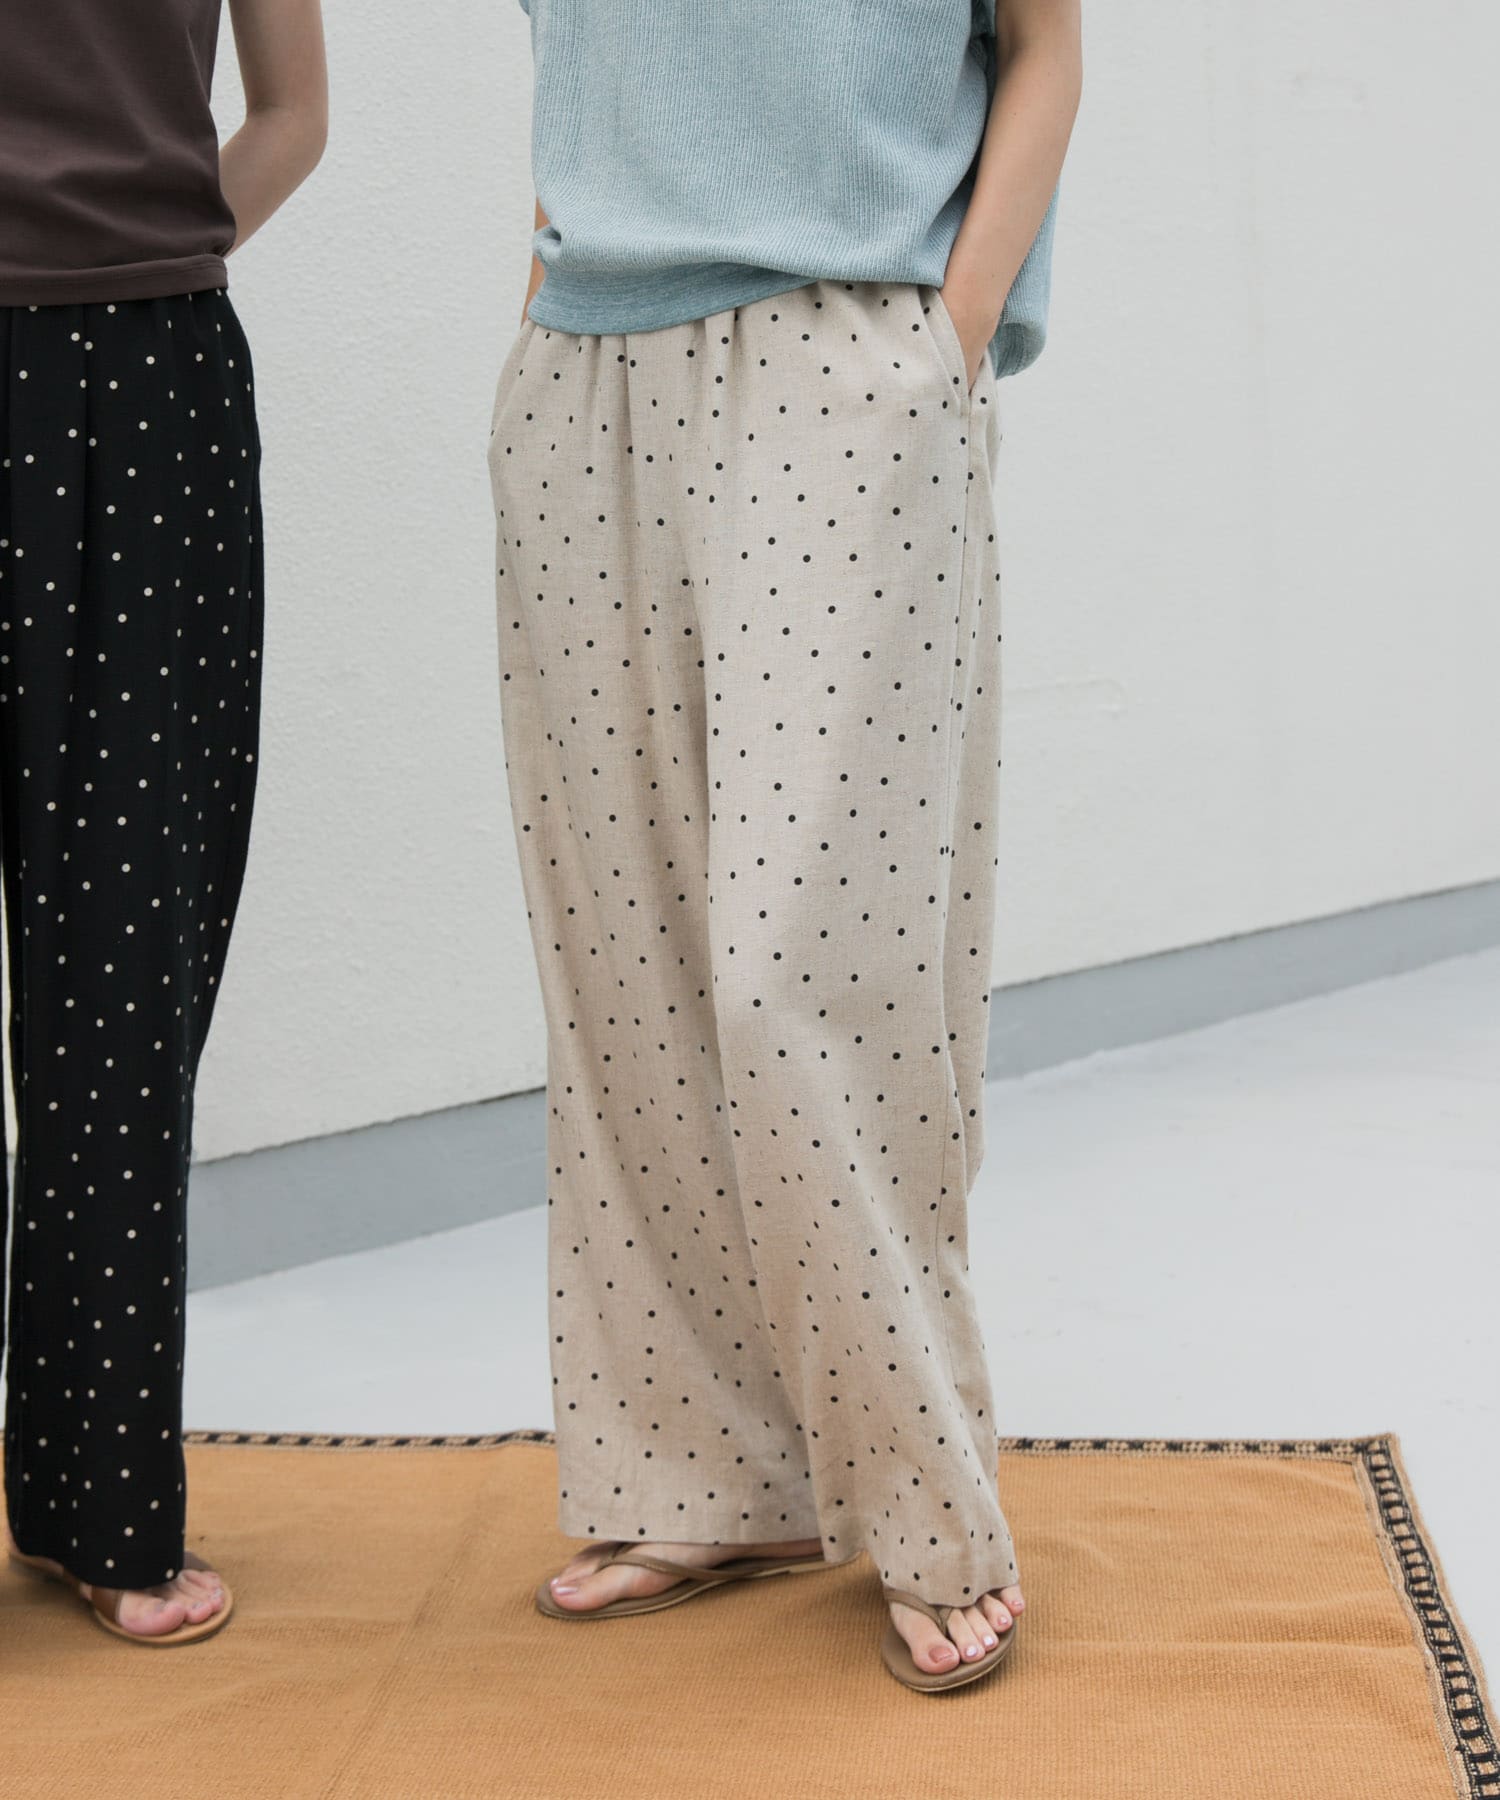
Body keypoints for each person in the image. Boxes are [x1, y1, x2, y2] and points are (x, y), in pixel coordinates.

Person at [490, 0, 1079, 1691]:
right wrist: (541, 295)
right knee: (631, 972)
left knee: (803, 979)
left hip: (845, 353)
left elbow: (1045, 44)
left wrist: (948, 336)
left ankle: (925, 1499)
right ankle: (705, 1477)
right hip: (584, 370)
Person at [0, 0, 326, 1644]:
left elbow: (292, 109)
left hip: (153, 387)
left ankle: (100, 1497)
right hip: (136, 379)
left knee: (123, 976)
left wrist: (145, 248)